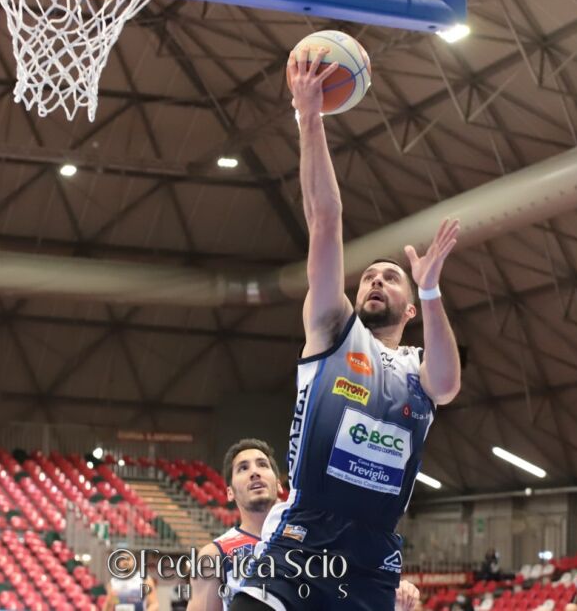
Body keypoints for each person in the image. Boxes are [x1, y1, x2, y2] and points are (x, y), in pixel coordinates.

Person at [232, 46, 461, 611]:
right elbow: (325, 218)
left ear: (409, 308)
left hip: (371, 558)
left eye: (393, 279)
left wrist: (430, 287)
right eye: (370, 278)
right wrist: (309, 118)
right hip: (303, 538)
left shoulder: (417, 369)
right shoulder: (334, 328)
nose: (377, 282)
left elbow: (448, 384)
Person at [190, 439, 420, 611]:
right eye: (243, 468)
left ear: (279, 485)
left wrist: (396, 596)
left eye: (262, 465)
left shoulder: (320, 533)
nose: (254, 473)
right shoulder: (214, 555)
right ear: (229, 492)